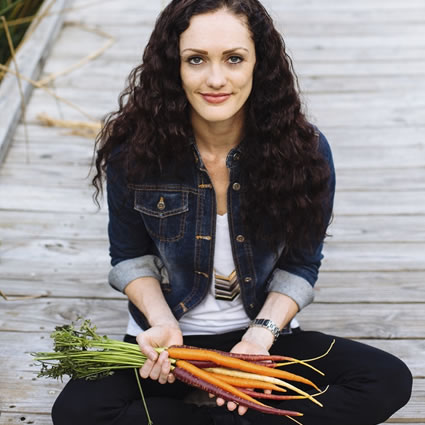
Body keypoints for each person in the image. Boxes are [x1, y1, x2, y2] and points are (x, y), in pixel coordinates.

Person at [52, 1, 412, 424]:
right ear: (174, 68)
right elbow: (129, 257)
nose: (216, 79)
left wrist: (260, 338)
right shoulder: (133, 154)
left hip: (258, 342)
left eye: (234, 59)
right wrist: (162, 323)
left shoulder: (305, 152)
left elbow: (301, 263)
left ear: (260, 64)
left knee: (386, 379)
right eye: (196, 60)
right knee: (77, 411)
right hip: (169, 346)